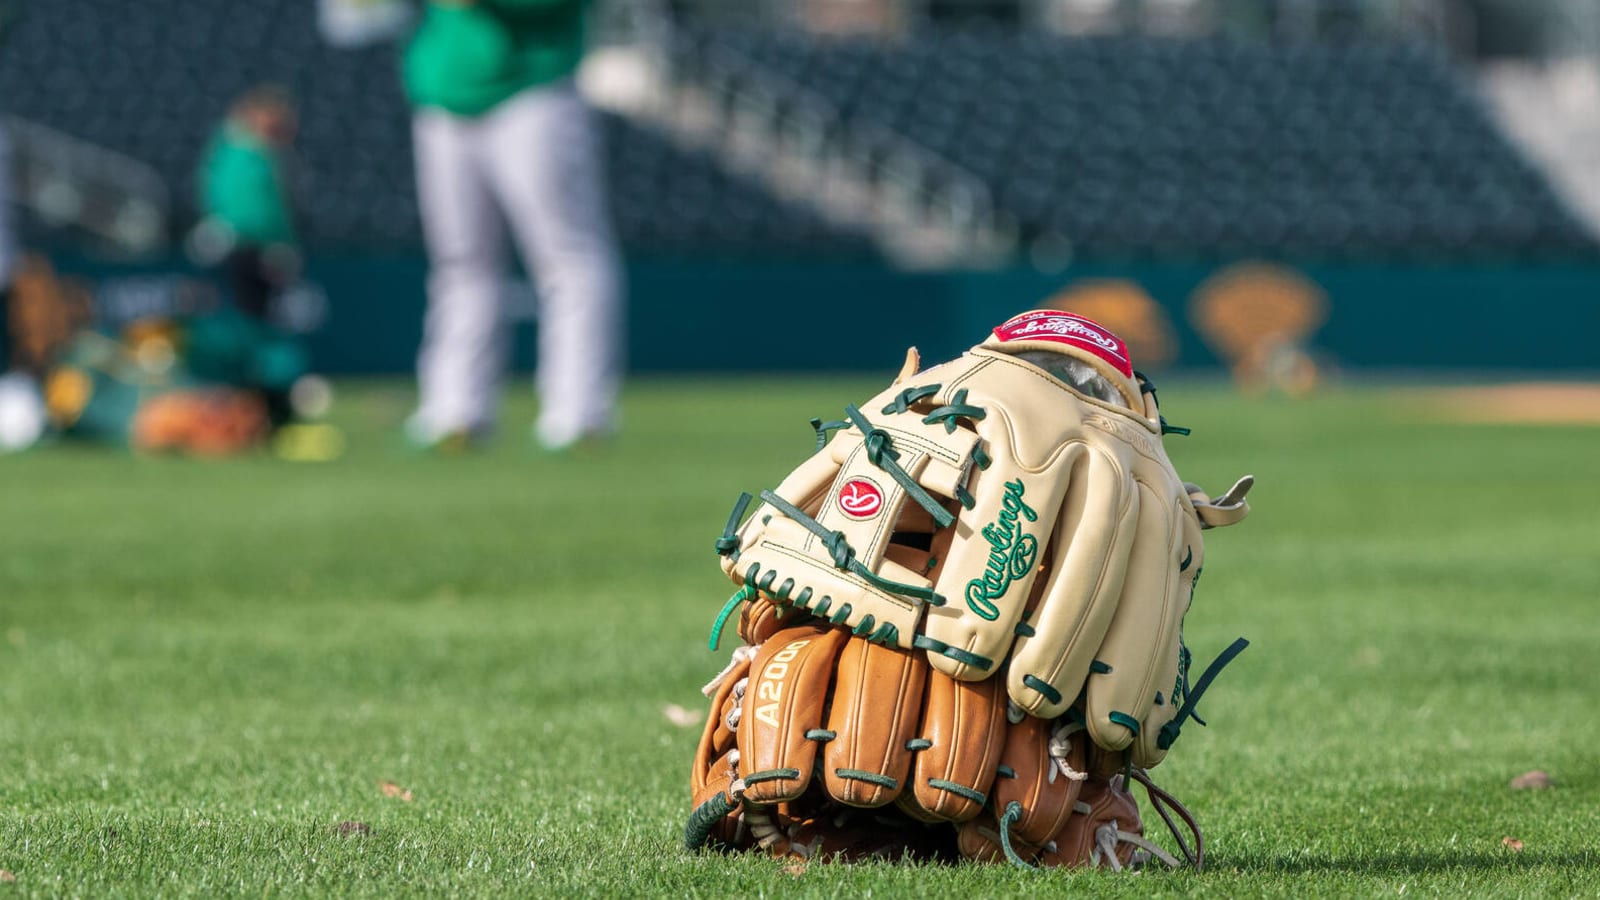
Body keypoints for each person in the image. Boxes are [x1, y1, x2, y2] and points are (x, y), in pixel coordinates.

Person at [402, 0, 624, 452]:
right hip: (443, 92)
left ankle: (579, 413)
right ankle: (455, 410)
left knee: (568, 257)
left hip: (532, 87)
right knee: (460, 263)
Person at [195, 86, 302, 324]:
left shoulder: (265, 155)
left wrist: (282, 241)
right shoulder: (238, 152)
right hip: (239, 244)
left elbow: (274, 206)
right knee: (238, 314)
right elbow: (240, 202)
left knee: (258, 314)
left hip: (260, 246)